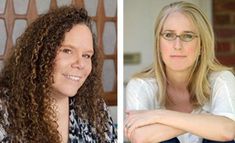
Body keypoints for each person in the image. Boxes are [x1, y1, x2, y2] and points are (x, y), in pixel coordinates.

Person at [0, 6, 117, 143]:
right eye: (67, 51)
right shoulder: (4, 112)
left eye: (86, 55)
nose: (80, 63)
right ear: (40, 54)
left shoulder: (95, 110)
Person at [125, 1, 235, 143]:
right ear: (158, 43)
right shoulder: (140, 85)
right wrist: (208, 123)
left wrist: (158, 116)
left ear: (202, 45)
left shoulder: (222, 79)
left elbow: (227, 131)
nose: (177, 46)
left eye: (188, 36)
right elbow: (139, 137)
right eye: (169, 35)